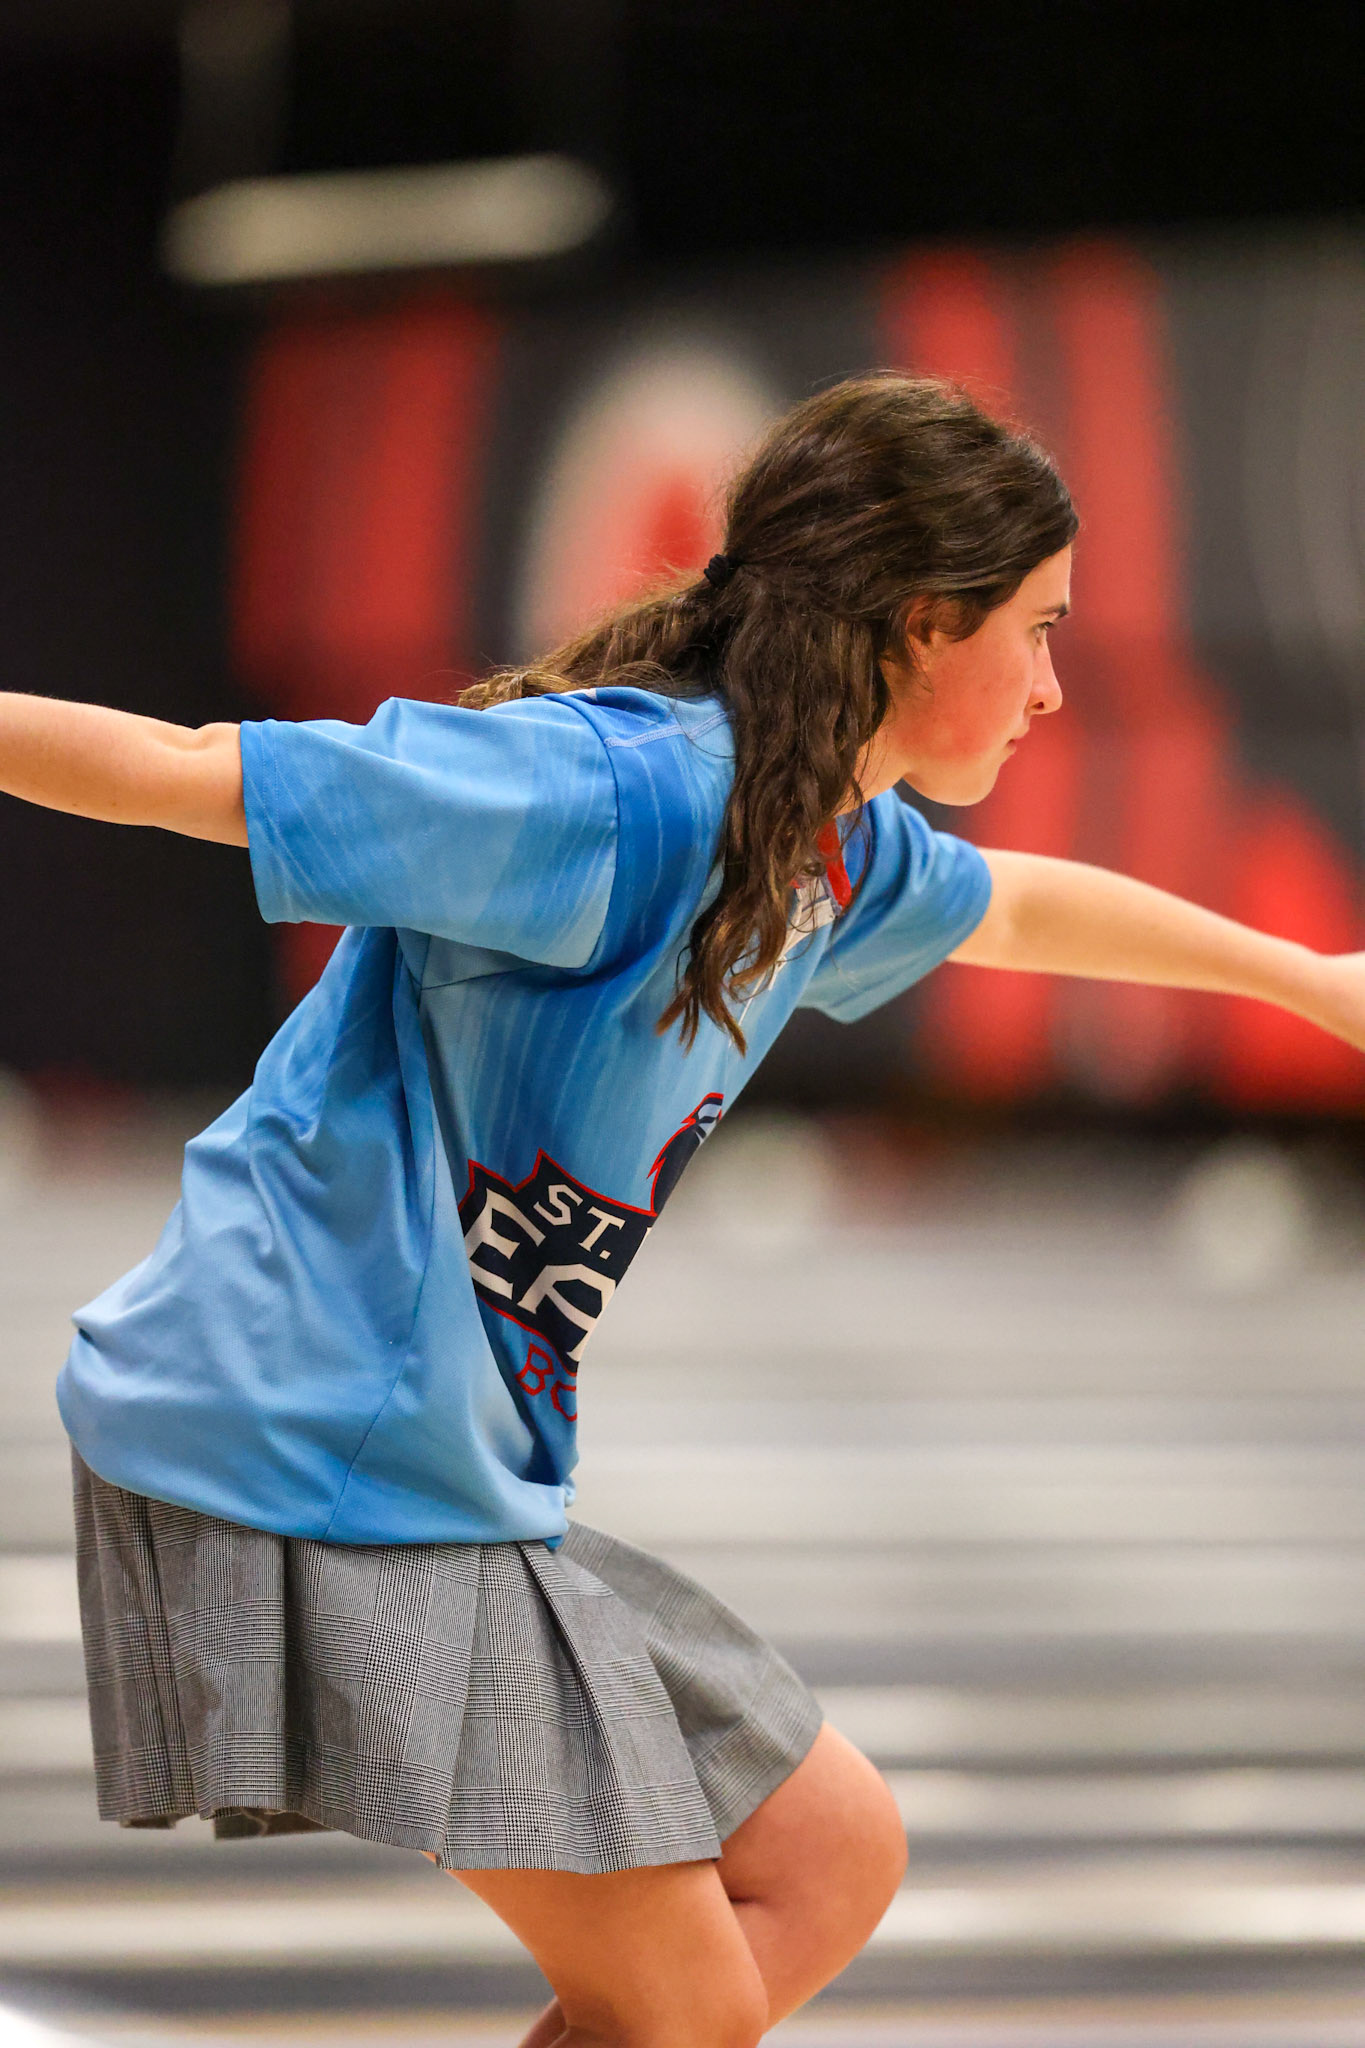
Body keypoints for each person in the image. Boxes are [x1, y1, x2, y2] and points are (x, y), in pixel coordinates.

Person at [3, 374, 1363, 2048]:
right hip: (289, 1434)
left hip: (422, 1461)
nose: (1056, 687)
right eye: (1037, 631)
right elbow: (191, 776)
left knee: (830, 1854)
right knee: (683, 2004)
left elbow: (1013, 912)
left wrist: (1309, 982)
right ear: (922, 626)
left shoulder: (816, 846)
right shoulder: (613, 800)